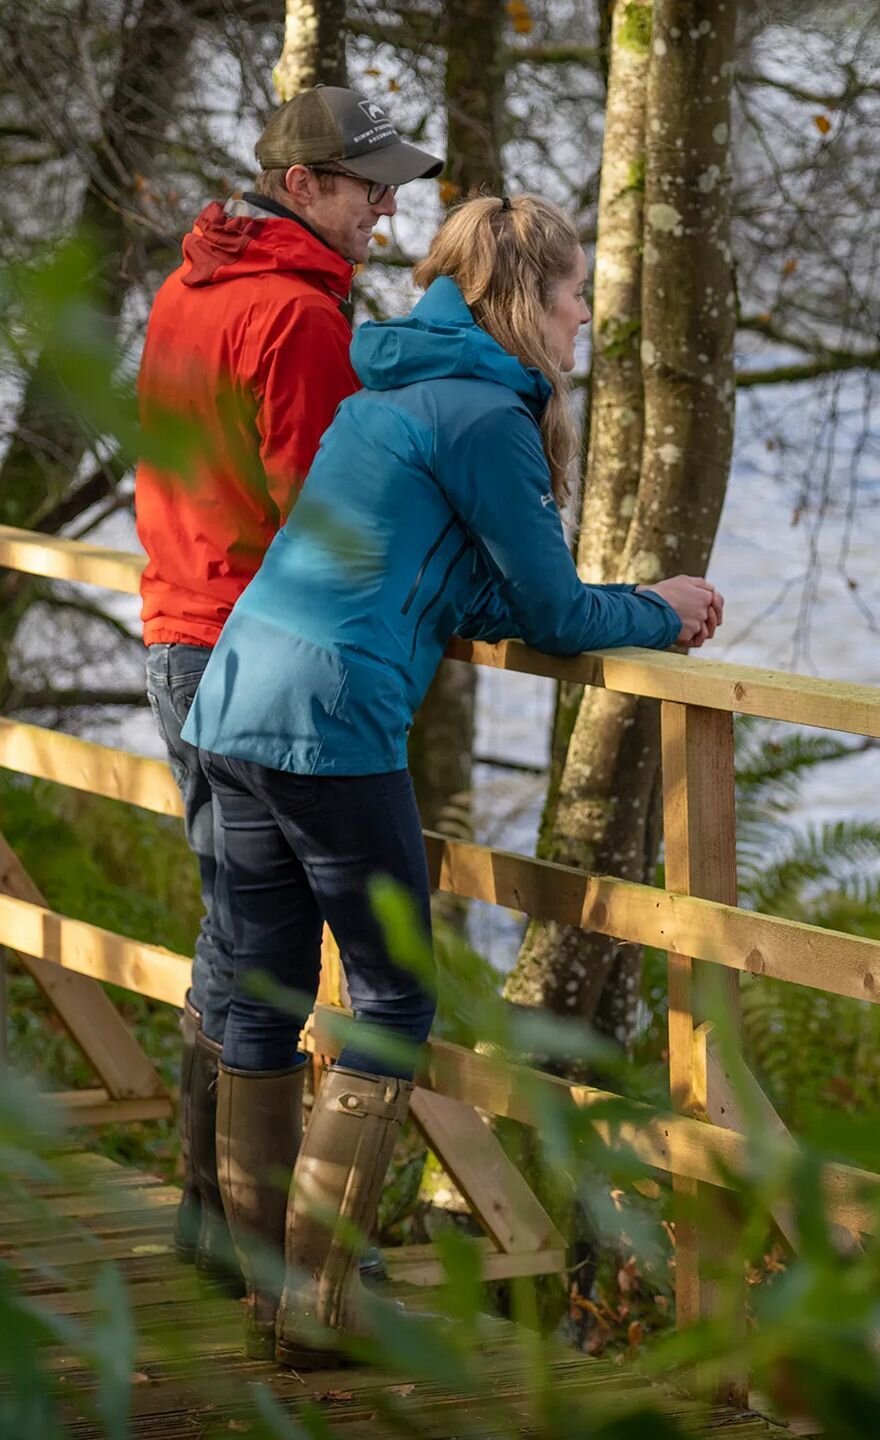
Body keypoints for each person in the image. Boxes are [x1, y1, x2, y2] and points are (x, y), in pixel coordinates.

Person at [182, 192, 723, 1367]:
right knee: (393, 998)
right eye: (576, 295)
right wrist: (663, 610)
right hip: (329, 724)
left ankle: (267, 1290)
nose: (585, 318)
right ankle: (317, 1313)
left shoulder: (391, 395)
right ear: (526, 298)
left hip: (235, 701)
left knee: (267, 996)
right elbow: (551, 608)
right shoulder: (488, 418)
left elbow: (443, 576)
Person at [134, 85, 441, 1284]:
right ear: (300, 186)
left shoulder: (186, 289)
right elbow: (329, 521)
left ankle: (217, 1227)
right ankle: (308, 1274)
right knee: (351, 968)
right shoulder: (298, 319)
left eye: (394, 188)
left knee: (242, 940)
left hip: (174, 634)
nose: (387, 209)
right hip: (257, 647)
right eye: (370, 188)